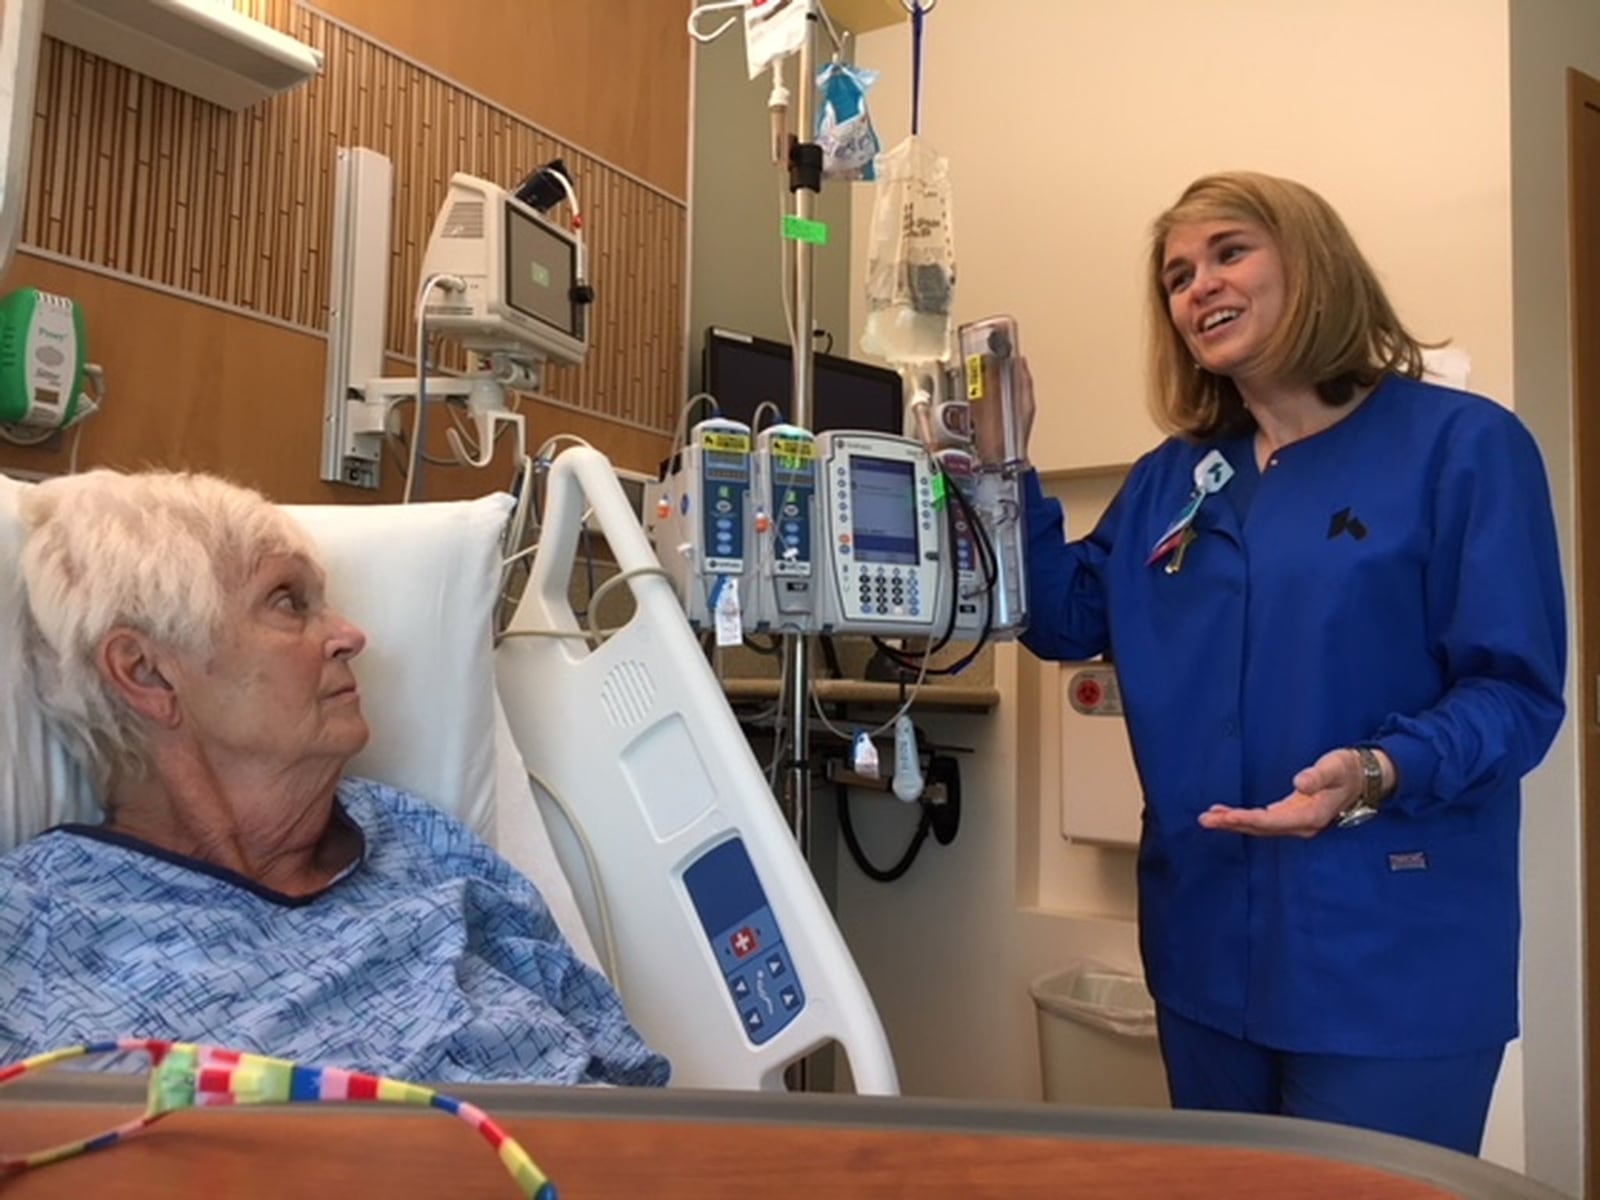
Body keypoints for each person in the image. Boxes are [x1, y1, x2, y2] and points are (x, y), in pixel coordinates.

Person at [1019, 171, 1565, 1154]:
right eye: (1176, 275)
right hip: (1203, 953)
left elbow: (1515, 692)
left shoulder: (1462, 448)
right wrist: (995, 466)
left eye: (1228, 251)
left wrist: (1375, 770)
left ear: (1312, 264)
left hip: (1390, 960)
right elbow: (1064, 616)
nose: (1196, 287)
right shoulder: (1170, 481)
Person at [0, 469, 669, 1087]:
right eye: (288, 601)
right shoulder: (33, 924)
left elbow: (632, 1087)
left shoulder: (423, 842)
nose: (350, 635)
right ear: (146, 673)